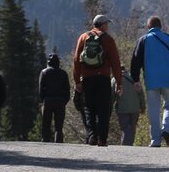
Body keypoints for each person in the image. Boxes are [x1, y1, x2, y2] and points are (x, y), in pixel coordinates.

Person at [131, 15, 169, 148]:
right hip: (168, 78)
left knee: (153, 110)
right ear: (160, 26)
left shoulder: (143, 40)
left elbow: (135, 61)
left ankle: (155, 140)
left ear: (148, 27)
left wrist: (136, 79)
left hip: (151, 80)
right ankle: (166, 129)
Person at [73, 14, 122, 146]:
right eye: (107, 24)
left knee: (89, 108)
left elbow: (76, 60)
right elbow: (115, 63)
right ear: (102, 25)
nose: (108, 26)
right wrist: (119, 82)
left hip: (87, 79)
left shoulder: (83, 37)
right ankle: (102, 139)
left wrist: (77, 81)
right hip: (103, 78)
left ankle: (92, 137)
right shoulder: (108, 39)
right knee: (103, 109)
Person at [37, 53, 71, 142]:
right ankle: (58, 142)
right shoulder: (63, 73)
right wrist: (64, 101)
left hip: (47, 101)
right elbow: (67, 89)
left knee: (46, 124)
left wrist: (42, 100)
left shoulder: (44, 72)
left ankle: (45, 141)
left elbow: (41, 88)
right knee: (59, 126)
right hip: (60, 101)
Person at [113, 65, 145, 146]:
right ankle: (129, 145)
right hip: (135, 108)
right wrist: (143, 107)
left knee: (125, 128)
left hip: (122, 109)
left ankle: (126, 147)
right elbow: (141, 94)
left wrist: (109, 109)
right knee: (132, 128)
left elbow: (111, 96)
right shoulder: (134, 78)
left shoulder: (115, 80)